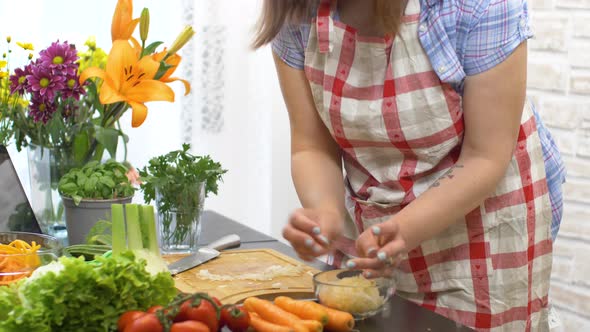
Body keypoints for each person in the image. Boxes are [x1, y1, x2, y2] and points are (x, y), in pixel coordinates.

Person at [253, 0, 566, 330]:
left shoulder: (478, 7)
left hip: (481, 223)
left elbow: (485, 156)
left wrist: (404, 229)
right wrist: (325, 212)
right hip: (373, 230)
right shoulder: (297, 10)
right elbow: (311, 145)